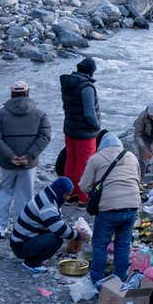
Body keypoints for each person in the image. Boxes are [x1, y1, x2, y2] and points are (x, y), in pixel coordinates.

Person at [0, 80, 51, 239]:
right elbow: (45, 137)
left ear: (11, 94)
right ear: (27, 93)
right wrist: (28, 156)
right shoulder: (40, 114)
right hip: (29, 164)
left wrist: (11, 156)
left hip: (7, 163)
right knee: (25, 195)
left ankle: (0, 228)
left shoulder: (0, 114)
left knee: (5, 193)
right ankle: (20, 227)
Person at [79, 132, 141, 288]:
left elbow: (84, 186)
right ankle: (120, 277)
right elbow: (137, 180)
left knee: (100, 244)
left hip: (108, 209)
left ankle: (97, 279)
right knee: (123, 244)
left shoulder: (96, 158)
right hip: (132, 207)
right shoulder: (132, 156)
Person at [10, 177, 82, 273]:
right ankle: (32, 263)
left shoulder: (47, 194)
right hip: (20, 246)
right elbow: (60, 230)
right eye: (67, 195)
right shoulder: (48, 205)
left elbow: (55, 222)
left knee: (57, 233)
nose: (68, 198)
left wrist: (72, 229)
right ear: (60, 193)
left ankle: (34, 253)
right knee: (56, 239)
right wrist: (78, 235)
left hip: (20, 240)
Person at [59, 57, 101, 203]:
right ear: (91, 71)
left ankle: (70, 195)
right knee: (84, 165)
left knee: (70, 162)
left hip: (70, 130)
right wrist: (96, 126)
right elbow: (89, 113)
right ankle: (83, 199)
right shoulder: (86, 87)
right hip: (85, 134)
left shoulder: (68, 84)